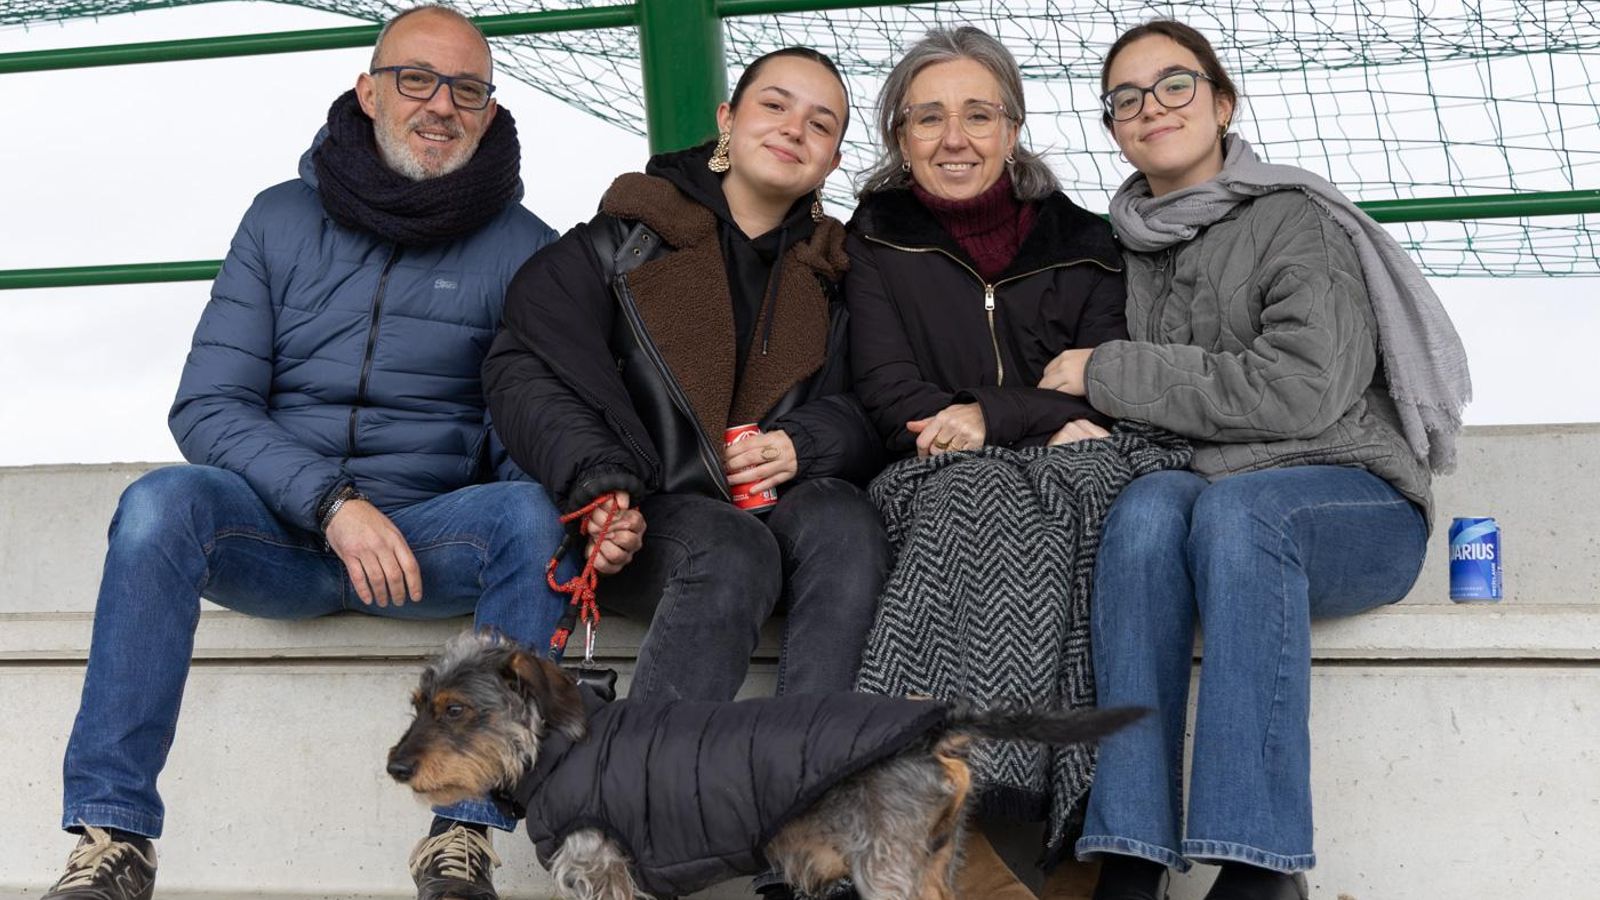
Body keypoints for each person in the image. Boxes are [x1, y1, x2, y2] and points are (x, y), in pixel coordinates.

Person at [40, 7, 571, 900]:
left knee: (529, 511)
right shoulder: (278, 219)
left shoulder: (527, 248)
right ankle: (113, 838)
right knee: (158, 503)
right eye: (416, 79)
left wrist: (578, 513)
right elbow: (208, 403)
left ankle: (463, 839)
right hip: (278, 537)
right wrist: (332, 504)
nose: (441, 105)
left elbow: (523, 425)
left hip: (423, 546)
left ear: (489, 111)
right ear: (368, 91)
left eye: (468, 90)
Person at [1046, 20, 1471, 900]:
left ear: (1222, 103)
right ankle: (1129, 852)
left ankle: (1259, 866)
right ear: (1113, 128)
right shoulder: (1118, 246)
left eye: (1175, 85)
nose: (1152, 107)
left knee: (1240, 513)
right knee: (1143, 511)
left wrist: (1115, 374)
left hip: (1350, 500)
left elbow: (1304, 391)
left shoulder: (1294, 219)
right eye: (1126, 98)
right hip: (1207, 498)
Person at [483, 50, 886, 710]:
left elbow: (878, 401)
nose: (794, 129)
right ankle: (648, 775)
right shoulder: (624, 241)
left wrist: (807, 442)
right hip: (642, 519)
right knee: (730, 547)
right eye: (775, 106)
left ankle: (810, 761)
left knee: (847, 521)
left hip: (775, 515)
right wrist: (598, 482)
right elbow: (524, 365)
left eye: (820, 124)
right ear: (728, 119)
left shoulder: (839, 275)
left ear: (833, 162)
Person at [846, 26, 1132, 900]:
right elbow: (891, 392)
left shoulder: (1087, 240)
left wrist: (992, 416)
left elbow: (1109, 379)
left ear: (1013, 129)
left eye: (978, 114)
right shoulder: (874, 242)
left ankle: (1072, 825)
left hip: (1066, 458)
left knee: (1101, 491)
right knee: (974, 494)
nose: (954, 138)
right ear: (899, 137)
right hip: (929, 466)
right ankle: (949, 821)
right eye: (927, 118)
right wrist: (1020, 421)